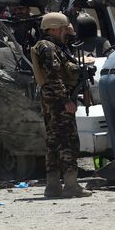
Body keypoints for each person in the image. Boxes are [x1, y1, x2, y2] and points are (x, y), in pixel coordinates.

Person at [30, 12, 91, 198]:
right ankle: (71, 185)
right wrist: (66, 101)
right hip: (58, 101)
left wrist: (71, 34)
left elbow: (69, 55)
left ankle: (53, 186)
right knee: (68, 141)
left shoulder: (52, 46)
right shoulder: (48, 48)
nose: (67, 31)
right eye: (64, 28)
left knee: (54, 142)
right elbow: (54, 76)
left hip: (53, 100)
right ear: (55, 28)